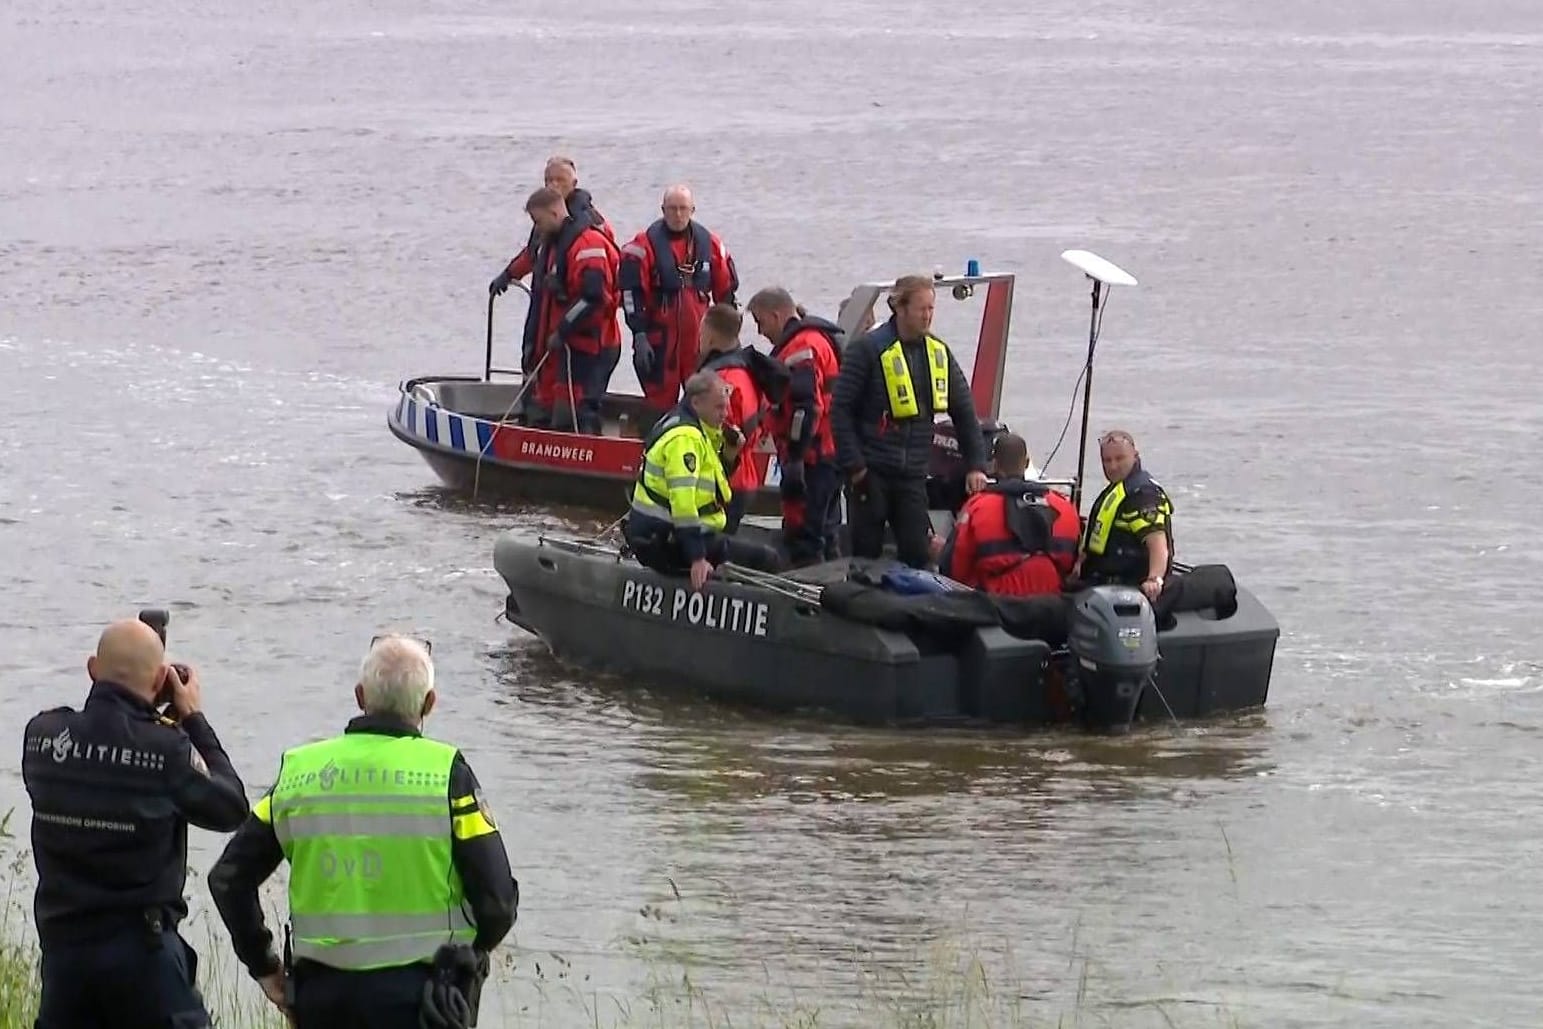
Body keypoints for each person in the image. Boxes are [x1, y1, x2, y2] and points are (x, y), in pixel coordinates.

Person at [207, 635, 519, 1029]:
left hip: (322, 1000)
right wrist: (466, 962)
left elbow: (229, 879)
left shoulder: (302, 774)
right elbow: (498, 903)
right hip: (421, 1002)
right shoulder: (446, 775)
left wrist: (265, 966)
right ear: (429, 703)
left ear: (359, 696)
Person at [22, 617, 249, 1029]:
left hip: (65, 959)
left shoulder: (41, 737)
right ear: (163, 677)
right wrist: (192, 718)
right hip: (144, 959)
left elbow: (98, 748)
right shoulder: (167, 750)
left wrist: (147, 719)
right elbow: (230, 807)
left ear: (92, 668)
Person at [831, 274, 989, 569]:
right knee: (865, 555)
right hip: (871, 472)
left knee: (917, 553)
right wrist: (855, 467)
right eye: (921, 309)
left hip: (913, 475)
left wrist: (976, 465)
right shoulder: (867, 350)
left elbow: (964, 412)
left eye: (931, 309)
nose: (928, 316)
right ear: (900, 309)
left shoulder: (938, 353)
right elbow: (840, 410)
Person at [624, 370, 783, 589]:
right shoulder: (686, 439)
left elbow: (708, 488)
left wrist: (729, 454)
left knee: (745, 548)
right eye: (719, 407)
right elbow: (684, 504)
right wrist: (697, 558)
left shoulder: (690, 426)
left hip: (665, 535)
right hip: (666, 541)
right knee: (767, 558)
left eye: (726, 407)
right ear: (697, 403)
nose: (725, 414)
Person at [488, 156, 618, 421]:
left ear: (574, 183)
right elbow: (532, 254)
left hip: (586, 336)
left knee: (577, 407)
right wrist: (509, 274)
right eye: (549, 180)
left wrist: (563, 328)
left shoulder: (589, 234)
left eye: (560, 180)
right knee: (542, 397)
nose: (554, 185)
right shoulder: (547, 228)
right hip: (550, 325)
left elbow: (596, 296)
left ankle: (579, 449)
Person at [620, 184, 740, 432]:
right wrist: (639, 335)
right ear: (663, 210)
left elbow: (725, 293)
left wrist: (729, 341)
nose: (677, 214)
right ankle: (652, 446)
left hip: (699, 343)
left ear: (692, 210)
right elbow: (631, 295)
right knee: (657, 404)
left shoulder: (711, 245)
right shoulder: (642, 246)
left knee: (704, 400)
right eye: (672, 209)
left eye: (683, 209)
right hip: (659, 341)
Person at [746, 286, 846, 565]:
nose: (760, 331)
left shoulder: (801, 348)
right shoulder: (814, 340)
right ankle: (830, 585)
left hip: (814, 457)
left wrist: (796, 459)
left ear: (776, 316)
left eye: (760, 322)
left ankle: (806, 597)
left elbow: (806, 408)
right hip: (829, 452)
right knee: (826, 530)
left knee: (804, 535)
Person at [517, 186, 621, 434]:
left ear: (554, 213)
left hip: (591, 345)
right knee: (551, 409)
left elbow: (593, 298)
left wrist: (563, 330)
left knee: (578, 412)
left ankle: (588, 462)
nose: (537, 228)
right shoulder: (554, 245)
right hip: (564, 348)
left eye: (538, 221)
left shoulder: (587, 245)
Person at [940, 433, 1081, 596]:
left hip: (997, 607)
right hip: (1050, 605)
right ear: (1027, 463)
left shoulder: (976, 508)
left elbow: (955, 568)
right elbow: (1072, 566)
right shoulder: (1064, 507)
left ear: (993, 465)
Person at [695, 303, 782, 534]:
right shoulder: (748, 370)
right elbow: (762, 419)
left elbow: (715, 435)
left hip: (726, 481)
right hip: (746, 474)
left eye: (701, 333)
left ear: (711, 337)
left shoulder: (720, 380)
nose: (699, 339)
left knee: (713, 545)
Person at [1073, 429, 1175, 602]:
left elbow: (1158, 544)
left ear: (1135, 455)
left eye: (1119, 459)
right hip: (1099, 583)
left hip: (1127, 590)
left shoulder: (1143, 494)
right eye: (1107, 460)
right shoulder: (1117, 489)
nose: (1112, 466)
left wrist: (1154, 579)